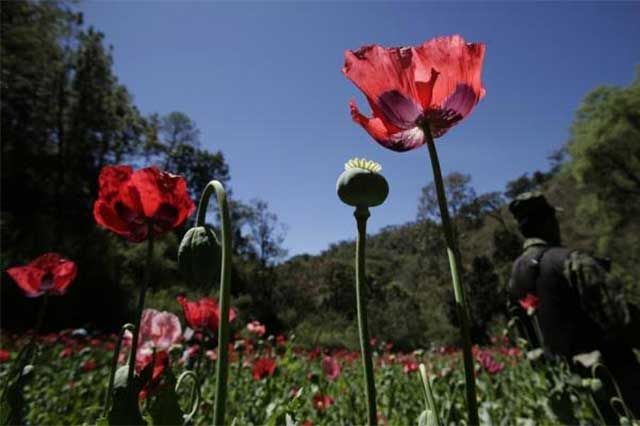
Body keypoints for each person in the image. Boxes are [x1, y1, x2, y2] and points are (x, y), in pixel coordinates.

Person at [508, 191, 640, 421]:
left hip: (568, 393)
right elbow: (620, 319)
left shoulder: (515, 275)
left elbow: (523, 334)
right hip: (614, 382)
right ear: (548, 222)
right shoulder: (570, 260)